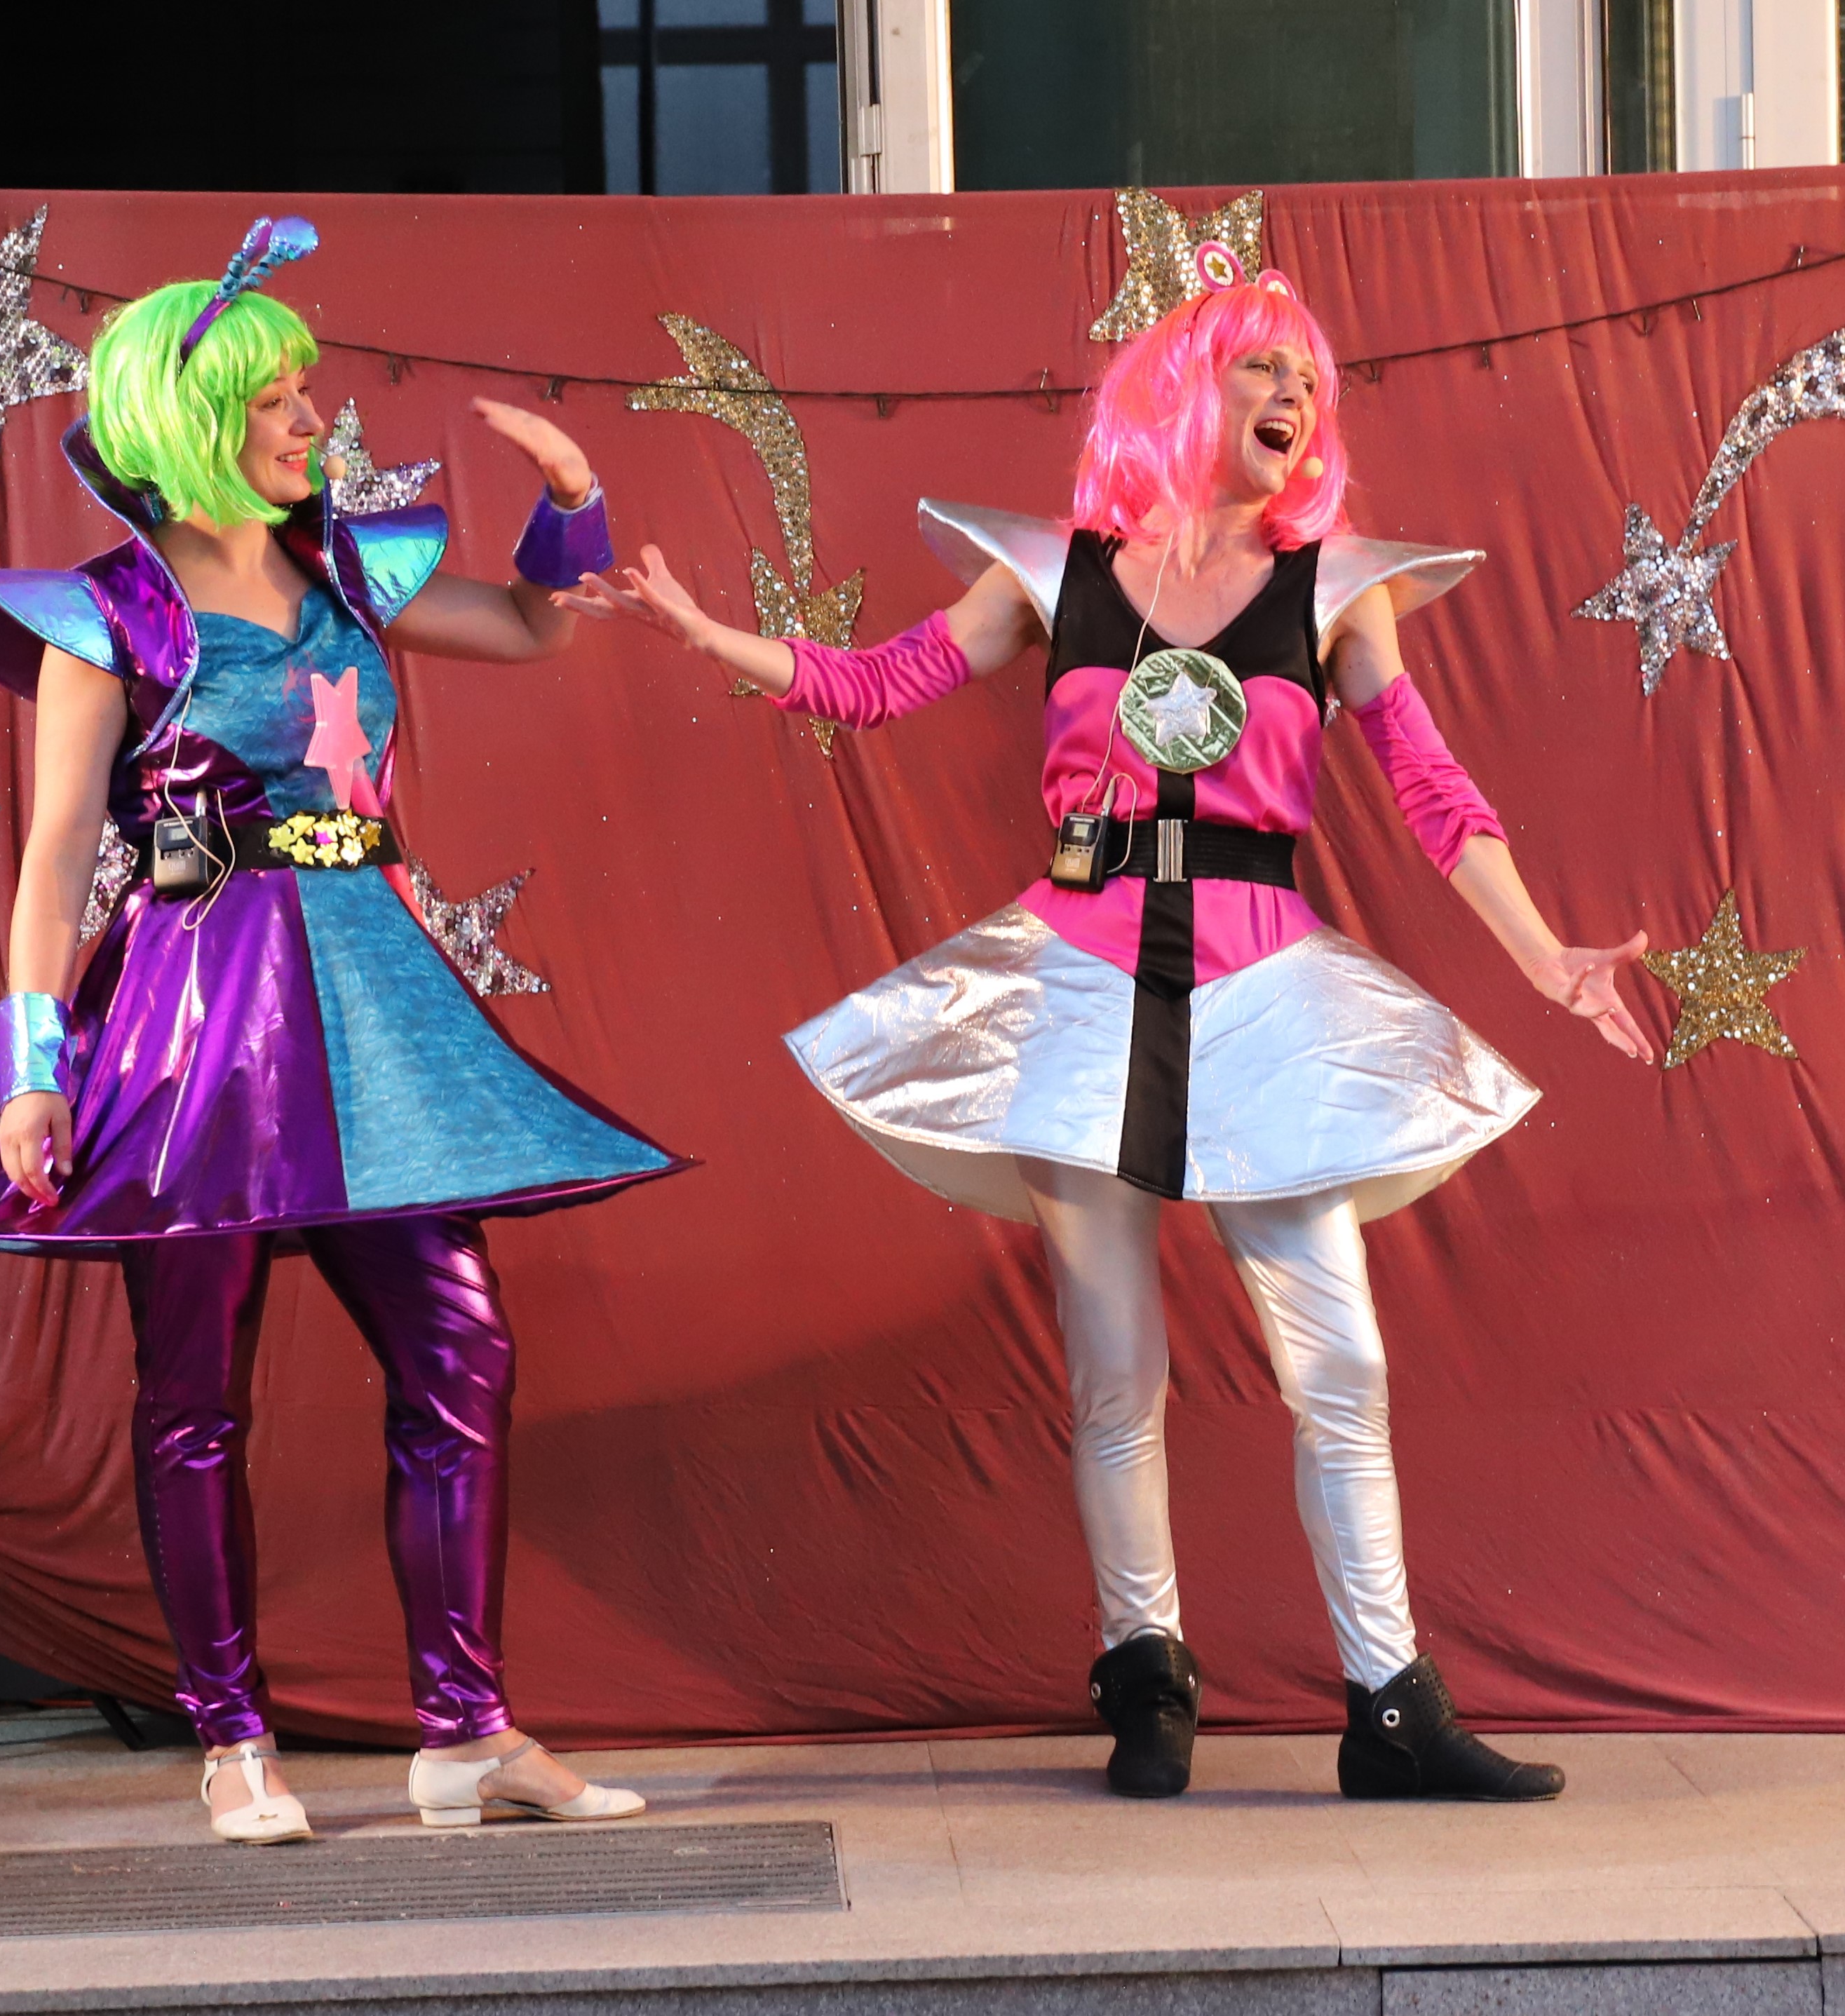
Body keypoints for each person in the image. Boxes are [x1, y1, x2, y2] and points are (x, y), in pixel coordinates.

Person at [572, 250, 1651, 1801]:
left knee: (1339, 1365)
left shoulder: (1336, 585)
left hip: (1264, 992)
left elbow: (1428, 784)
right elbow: (880, 682)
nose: (1290, 397)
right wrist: (703, 635)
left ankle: (1391, 1709)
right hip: (1080, 987)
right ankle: (1146, 1678)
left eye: (1306, 379)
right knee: (1112, 1371)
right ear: (1184, 385)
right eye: (1260, 366)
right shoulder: (1052, 568)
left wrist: (1544, 957)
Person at [0, 219, 685, 1842]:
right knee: (195, 1392)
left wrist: (572, 497)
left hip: (373, 1011)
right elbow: (51, 861)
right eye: (276, 398)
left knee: (460, 1351)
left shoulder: (348, 574)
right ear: (194, 423)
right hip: (194, 1032)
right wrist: (34, 1073)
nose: (311, 416)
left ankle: (466, 1731)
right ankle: (232, 1739)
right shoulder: (103, 616)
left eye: (306, 391)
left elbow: (535, 624)